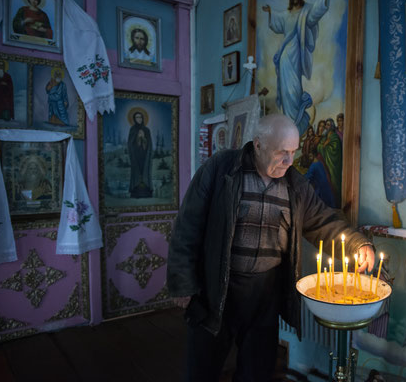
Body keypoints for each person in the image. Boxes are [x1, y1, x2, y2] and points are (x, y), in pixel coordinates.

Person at [167, 114, 375, 381]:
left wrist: (358, 243)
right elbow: (187, 226)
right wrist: (182, 283)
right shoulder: (221, 169)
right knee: (202, 370)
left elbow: (323, 221)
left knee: (257, 371)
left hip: (266, 295)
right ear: (258, 144)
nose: (289, 161)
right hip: (217, 290)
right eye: (282, 153)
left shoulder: (296, 185)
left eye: (293, 152)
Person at [262, 0, 338, 135]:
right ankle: (288, 123)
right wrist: (270, 12)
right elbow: (277, 23)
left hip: (296, 55)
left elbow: (316, 11)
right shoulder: (287, 14)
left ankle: (295, 124)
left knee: (294, 88)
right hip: (285, 58)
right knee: (285, 89)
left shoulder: (305, 11)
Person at [127, 109, 153, 198]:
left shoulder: (146, 130)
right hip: (136, 156)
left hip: (145, 156)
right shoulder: (132, 130)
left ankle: (146, 191)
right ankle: (135, 191)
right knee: (137, 172)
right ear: (134, 119)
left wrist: (144, 139)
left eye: (140, 117)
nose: (139, 119)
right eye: (137, 117)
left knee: (145, 171)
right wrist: (137, 138)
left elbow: (149, 145)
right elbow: (130, 144)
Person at [317, 118, 342, 207]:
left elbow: (335, 151)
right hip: (324, 164)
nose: (326, 127)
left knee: (333, 182)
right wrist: (323, 145)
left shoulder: (334, 137)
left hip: (333, 165)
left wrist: (325, 146)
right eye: (326, 125)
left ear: (331, 126)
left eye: (327, 125)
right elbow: (319, 147)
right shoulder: (325, 137)